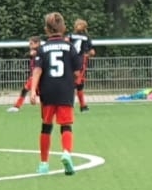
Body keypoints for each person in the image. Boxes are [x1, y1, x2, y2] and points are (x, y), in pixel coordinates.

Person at [28, 13, 78, 175]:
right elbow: (77, 72)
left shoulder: (42, 49)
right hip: (65, 90)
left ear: (46, 30)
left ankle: (44, 164)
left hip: (47, 91)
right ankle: (66, 153)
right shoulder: (70, 47)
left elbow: (37, 70)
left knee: (46, 126)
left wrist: (33, 90)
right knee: (66, 125)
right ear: (63, 28)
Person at [8, 36, 41, 113]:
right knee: (24, 90)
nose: (30, 45)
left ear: (37, 43)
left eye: (31, 43)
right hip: (33, 76)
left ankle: (49, 107)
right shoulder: (33, 52)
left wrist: (36, 54)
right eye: (29, 43)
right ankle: (17, 106)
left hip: (38, 77)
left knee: (42, 93)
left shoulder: (40, 52)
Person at [70, 18, 95, 112]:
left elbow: (91, 51)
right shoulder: (71, 36)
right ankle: (72, 104)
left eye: (81, 25)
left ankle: (82, 105)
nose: (78, 26)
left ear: (84, 27)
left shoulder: (86, 37)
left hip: (81, 61)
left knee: (79, 83)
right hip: (72, 61)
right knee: (73, 83)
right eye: (77, 24)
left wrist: (88, 54)